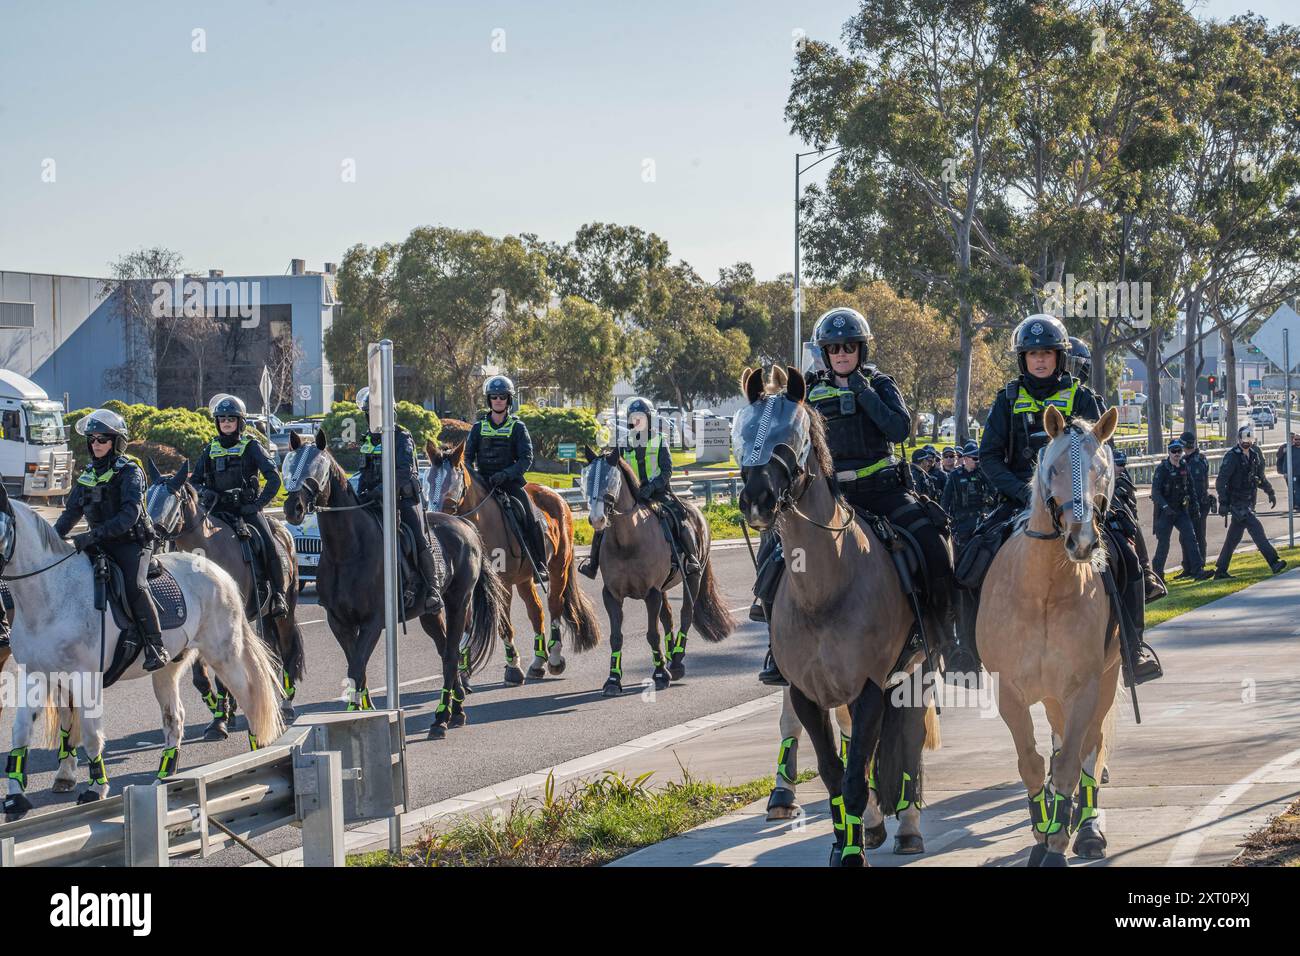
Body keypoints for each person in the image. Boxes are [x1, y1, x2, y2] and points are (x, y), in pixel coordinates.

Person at [758, 306, 954, 684]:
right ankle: (775, 646)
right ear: (826, 352)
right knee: (778, 553)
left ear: (861, 350)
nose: (842, 354)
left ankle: (945, 634)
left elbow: (898, 429)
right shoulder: (810, 390)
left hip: (883, 494)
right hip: (831, 499)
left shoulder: (880, 384)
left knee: (932, 542)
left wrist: (862, 393)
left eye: (849, 347)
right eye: (834, 348)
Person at [978, 315, 1161, 682]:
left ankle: (1133, 648)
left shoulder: (1082, 397)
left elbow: (1102, 455)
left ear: (1059, 357)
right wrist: (1025, 492)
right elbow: (989, 457)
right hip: (1020, 502)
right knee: (971, 557)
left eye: (1046, 353)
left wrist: (1095, 496)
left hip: (1077, 503)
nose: (1040, 360)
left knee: (1125, 555)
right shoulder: (1007, 399)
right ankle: (968, 650)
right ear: (1023, 359)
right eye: (1032, 355)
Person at [53, 409, 169, 671]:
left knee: (135, 586)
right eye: (92, 439)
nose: (96, 444)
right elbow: (70, 513)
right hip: (99, 542)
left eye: (102, 439)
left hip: (133, 542)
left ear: (116, 442)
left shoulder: (130, 471)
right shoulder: (88, 474)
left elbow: (129, 515)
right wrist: (50, 539)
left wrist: (93, 535)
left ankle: (155, 644)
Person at [191, 394, 289, 618]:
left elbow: (274, 478)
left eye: (231, 419)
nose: (226, 422)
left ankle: (279, 594)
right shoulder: (209, 449)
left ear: (240, 422)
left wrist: (257, 505)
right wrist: (205, 492)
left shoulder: (251, 446)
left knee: (269, 545)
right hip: (215, 512)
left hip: (245, 511)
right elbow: (194, 482)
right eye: (222, 419)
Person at [584, 397, 700, 580]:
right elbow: (614, 470)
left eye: (641, 417)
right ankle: (592, 564)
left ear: (649, 419)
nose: (637, 421)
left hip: (657, 493)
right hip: (631, 495)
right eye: (634, 417)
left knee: (678, 515)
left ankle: (691, 559)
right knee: (604, 523)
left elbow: (667, 471)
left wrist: (652, 487)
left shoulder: (660, 440)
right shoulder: (622, 443)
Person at [355, 387, 443, 610]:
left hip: (404, 500)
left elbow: (404, 471)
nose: (374, 417)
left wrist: (382, 489)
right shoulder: (367, 439)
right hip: (374, 501)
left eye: (379, 412)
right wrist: (360, 494)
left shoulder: (401, 437)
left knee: (418, 537)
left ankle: (433, 589)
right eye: (371, 413)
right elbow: (364, 472)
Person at [463, 376, 549, 584]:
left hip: (510, 483)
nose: (498, 400)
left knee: (530, 515)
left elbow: (526, 458)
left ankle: (539, 562)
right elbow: (467, 457)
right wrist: (474, 477)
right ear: (489, 400)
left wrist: (506, 474)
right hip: (483, 482)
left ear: (509, 400)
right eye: (494, 397)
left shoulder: (518, 427)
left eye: (502, 397)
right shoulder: (478, 427)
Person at [1214, 423, 1287, 578]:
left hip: (1248, 502)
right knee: (1257, 530)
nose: (1247, 441)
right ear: (1239, 439)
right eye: (1244, 438)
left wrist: (1270, 491)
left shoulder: (1254, 455)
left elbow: (1259, 477)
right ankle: (1274, 562)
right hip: (1237, 503)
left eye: (1250, 438)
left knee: (1233, 538)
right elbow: (1221, 481)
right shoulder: (1232, 456)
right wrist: (1224, 502)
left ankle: (1220, 570)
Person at [1150, 440, 1210, 581]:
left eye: (1179, 451)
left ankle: (1198, 570)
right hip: (1165, 512)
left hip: (1181, 510)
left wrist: (1195, 507)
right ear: (1169, 452)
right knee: (1164, 544)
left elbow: (1191, 488)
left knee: (1191, 538)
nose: (1177, 454)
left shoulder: (1184, 466)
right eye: (1174, 451)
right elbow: (1155, 493)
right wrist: (1165, 507)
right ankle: (1158, 575)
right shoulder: (1162, 469)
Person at [941, 441, 995, 550]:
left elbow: (993, 490)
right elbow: (945, 499)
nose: (977, 461)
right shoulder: (954, 475)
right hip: (961, 522)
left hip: (979, 519)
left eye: (979, 458)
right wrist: (943, 519)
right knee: (962, 553)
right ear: (965, 458)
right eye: (975, 458)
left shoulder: (981, 473)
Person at [1180, 430, 1215, 563]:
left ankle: (1199, 563)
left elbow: (1198, 487)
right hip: (1190, 504)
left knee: (1198, 536)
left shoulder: (1196, 461)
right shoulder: (1187, 460)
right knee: (1185, 537)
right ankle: (1188, 566)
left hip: (1198, 504)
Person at [1276, 432, 1300, 510]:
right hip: (1290, 473)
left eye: (1293, 438)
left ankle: (1296, 504)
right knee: (1292, 489)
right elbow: (1281, 458)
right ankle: (1295, 504)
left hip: (1296, 472)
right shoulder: (1285, 447)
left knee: (1297, 489)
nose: (1295, 440)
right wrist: (1285, 472)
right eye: (1295, 439)